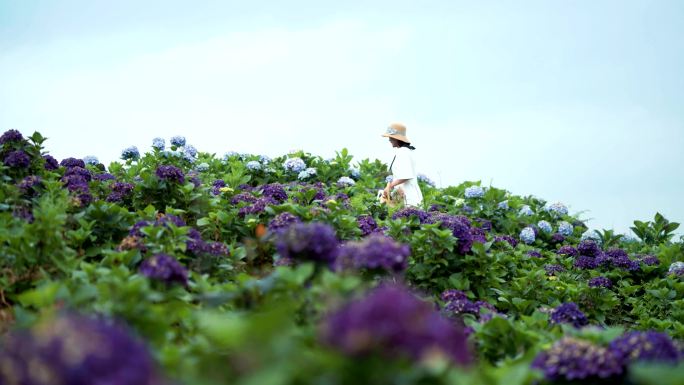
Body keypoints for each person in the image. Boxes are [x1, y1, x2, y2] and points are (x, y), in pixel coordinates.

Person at [381, 123, 423, 207]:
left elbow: (406, 176)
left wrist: (389, 186)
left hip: (409, 198)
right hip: (404, 196)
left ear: (396, 139)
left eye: (390, 137)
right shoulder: (404, 151)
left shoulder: (403, 152)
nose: (389, 140)